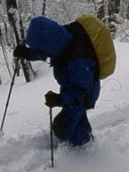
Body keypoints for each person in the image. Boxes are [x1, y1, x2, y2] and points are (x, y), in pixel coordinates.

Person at [13, 16, 100, 146]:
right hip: (70, 88)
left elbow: (82, 90)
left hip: (84, 95)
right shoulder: (60, 39)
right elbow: (44, 51)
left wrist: (59, 99)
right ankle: (84, 134)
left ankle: (84, 145)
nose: (42, 50)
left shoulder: (79, 59)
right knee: (75, 119)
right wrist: (28, 53)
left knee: (62, 127)